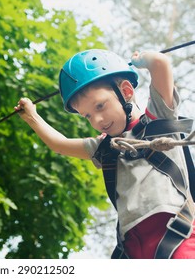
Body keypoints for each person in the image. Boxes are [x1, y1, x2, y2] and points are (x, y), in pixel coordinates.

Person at [14, 49, 195, 259]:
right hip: (133, 250)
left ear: (126, 92)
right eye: (88, 115)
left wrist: (141, 59)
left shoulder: (158, 119)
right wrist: (31, 117)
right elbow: (60, 145)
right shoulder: (106, 148)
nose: (97, 120)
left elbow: (160, 63)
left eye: (100, 106)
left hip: (178, 237)